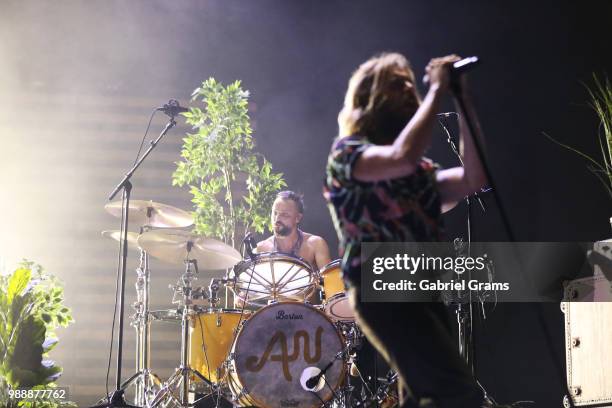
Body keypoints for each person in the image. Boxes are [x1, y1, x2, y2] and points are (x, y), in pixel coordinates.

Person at [324, 52, 501, 408]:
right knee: (457, 393)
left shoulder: (418, 170)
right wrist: (437, 89)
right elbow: (401, 157)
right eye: (396, 83)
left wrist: (462, 99)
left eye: (410, 83)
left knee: (424, 397)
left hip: (422, 288)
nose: (408, 88)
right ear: (369, 99)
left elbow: (472, 178)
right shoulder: (348, 155)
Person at [257, 190, 331, 271]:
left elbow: (330, 281)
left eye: (284, 215)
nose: (277, 219)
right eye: (274, 213)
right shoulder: (261, 249)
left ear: (298, 218)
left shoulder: (316, 244)